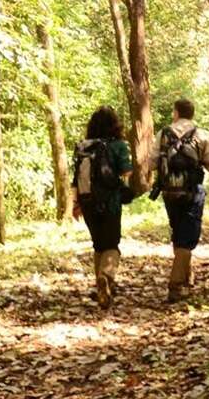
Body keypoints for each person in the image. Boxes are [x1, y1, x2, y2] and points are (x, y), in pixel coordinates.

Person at [150, 99, 209, 303]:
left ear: (176, 113)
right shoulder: (202, 134)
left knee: (179, 232)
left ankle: (187, 279)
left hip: (169, 191)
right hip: (192, 191)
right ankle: (176, 283)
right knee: (187, 238)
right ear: (192, 113)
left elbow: (152, 162)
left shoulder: (163, 133)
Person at [72, 106, 133, 309]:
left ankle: (100, 285)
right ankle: (106, 277)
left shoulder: (83, 146)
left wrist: (75, 204)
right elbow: (126, 172)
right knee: (112, 244)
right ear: (114, 124)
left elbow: (75, 179)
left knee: (98, 244)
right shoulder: (118, 145)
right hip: (110, 202)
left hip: (86, 201)